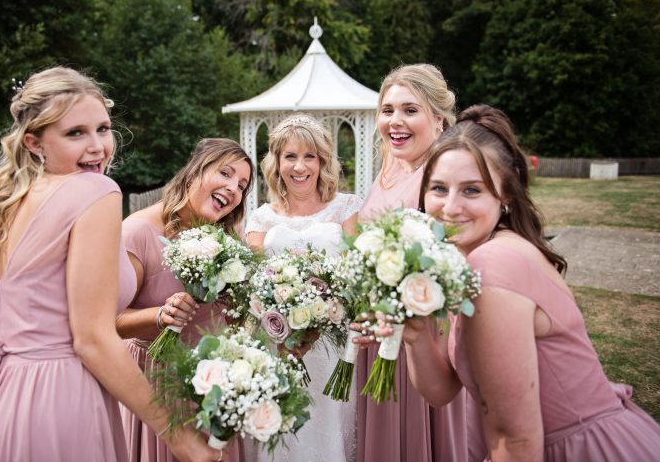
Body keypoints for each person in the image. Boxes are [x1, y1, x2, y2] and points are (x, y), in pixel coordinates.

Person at [0, 67, 223, 462]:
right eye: (75, 133)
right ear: (34, 141)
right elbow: (93, 340)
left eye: (103, 129)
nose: (98, 146)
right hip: (60, 398)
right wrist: (179, 436)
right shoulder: (96, 192)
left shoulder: (12, 199)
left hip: (2, 397)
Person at [406, 104, 660, 460]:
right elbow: (441, 390)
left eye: (472, 190)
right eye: (438, 188)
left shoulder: (494, 262)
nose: (449, 207)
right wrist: (413, 331)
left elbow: (516, 441)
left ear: (506, 194)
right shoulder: (467, 261)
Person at [349, 64, 476, 462]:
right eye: (387, 111)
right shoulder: (389, 170)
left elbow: (456, 256)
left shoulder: (439, 178)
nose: (395, 122)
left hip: (420, 334)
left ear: (438, 119)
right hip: (379, 331)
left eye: (409, 110)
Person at [117, 138, 253, 462]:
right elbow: (109, 322)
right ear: (195, 171)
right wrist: (161, 315)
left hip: (215, 384)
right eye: (225, 173)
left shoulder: (230, 240)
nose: (233, 188)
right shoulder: (137, 233)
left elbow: (235, 317)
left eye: (242, 185)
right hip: (155, 386)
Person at [244, 113, 362, 461]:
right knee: (283, 432)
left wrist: (325, 307)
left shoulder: (347, 207)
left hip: (331, 346)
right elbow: (254, 283)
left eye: (309, 156)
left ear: (322, 162)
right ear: (277, 163)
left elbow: (358, 272)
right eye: (290, 156)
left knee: (327, 432)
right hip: (279, 344)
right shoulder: (262, 217)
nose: (300, 166)